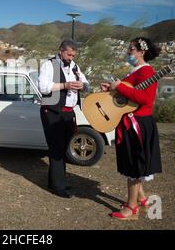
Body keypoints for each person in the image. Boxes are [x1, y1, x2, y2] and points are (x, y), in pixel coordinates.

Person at [100, 37, 162, 220]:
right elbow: (127, 95)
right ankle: (142, 198)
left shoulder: (147, 71)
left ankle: (131, 208)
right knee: (133, 163)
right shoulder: (136, 71)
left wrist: (119, 86)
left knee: (134, 167)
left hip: (138, 125)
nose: (128, 52)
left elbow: (145, 99)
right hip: (130, 122)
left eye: (131, 49)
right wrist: (111, 89)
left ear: (141, 52)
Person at [39, 39, 89, 198]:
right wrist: (65, 85)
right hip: (52, 111)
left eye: (73, 55)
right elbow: (43, 87)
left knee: (63, 147)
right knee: (56, 148)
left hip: (68, 113)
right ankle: (58, 186)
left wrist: (83, 85)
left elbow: (86, 83)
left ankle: (55, 181)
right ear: (61, 50)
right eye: (69, 54)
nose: (71, 58)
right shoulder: (49, 65)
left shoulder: (75, 66)